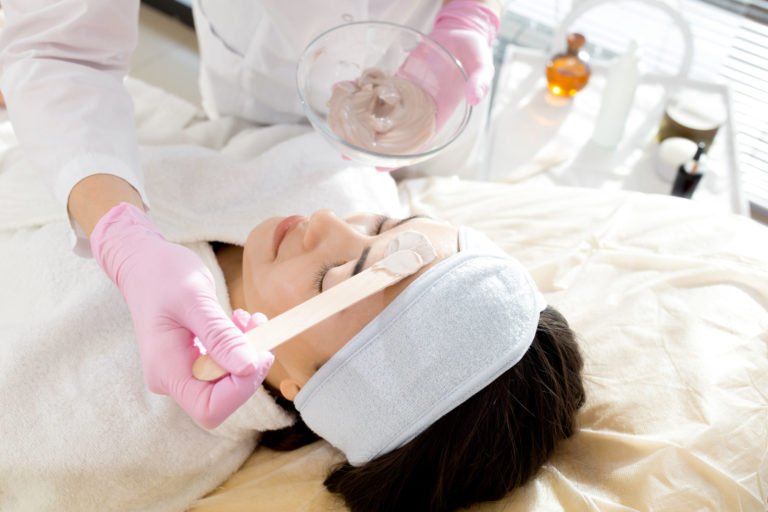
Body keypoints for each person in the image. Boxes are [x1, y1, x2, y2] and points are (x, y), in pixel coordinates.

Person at [0, 0, 504, 427]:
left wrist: (470, 14)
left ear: (300, 389)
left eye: (334, 276)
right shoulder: (337, 180)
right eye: (379, 226)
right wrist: (120, 234)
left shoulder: (112, 420)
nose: (327, 218)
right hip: (264, 80)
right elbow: (57, 47)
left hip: (428, 73)